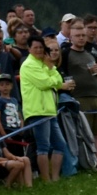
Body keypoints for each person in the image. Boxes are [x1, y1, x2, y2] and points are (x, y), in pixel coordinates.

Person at [18, 35, 73, 182]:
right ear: (29, 49)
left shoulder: (44, 64)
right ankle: (46, 179)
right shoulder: (29, 65)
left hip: (50, 110)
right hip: (37, 111)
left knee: (60, 145)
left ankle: (55, 177)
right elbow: (45, 83)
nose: (39, 50)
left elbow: (58, 80)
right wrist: (55, 81)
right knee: (43, 146)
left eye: (41, 48)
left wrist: (51, 69)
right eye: (35, 47)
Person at [62, 19, 97, 166]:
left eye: (83, 35)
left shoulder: (91, 54)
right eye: (77, 36)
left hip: (96, 97)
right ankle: (88, 164)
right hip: (79, 98)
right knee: (84, 134)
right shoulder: (66, 54)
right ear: (71, 37)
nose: (81, 38)